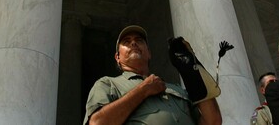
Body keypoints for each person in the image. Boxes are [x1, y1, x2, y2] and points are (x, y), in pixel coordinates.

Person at [83, 25, 222, 124]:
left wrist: (192, 72)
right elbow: (98, 123)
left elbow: (213, 121)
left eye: (139, 41)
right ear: (117, 57)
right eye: (127, 42)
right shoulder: (108, 84)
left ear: (149, 53)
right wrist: (144, 90)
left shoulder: (176, 89)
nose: (133, 43)